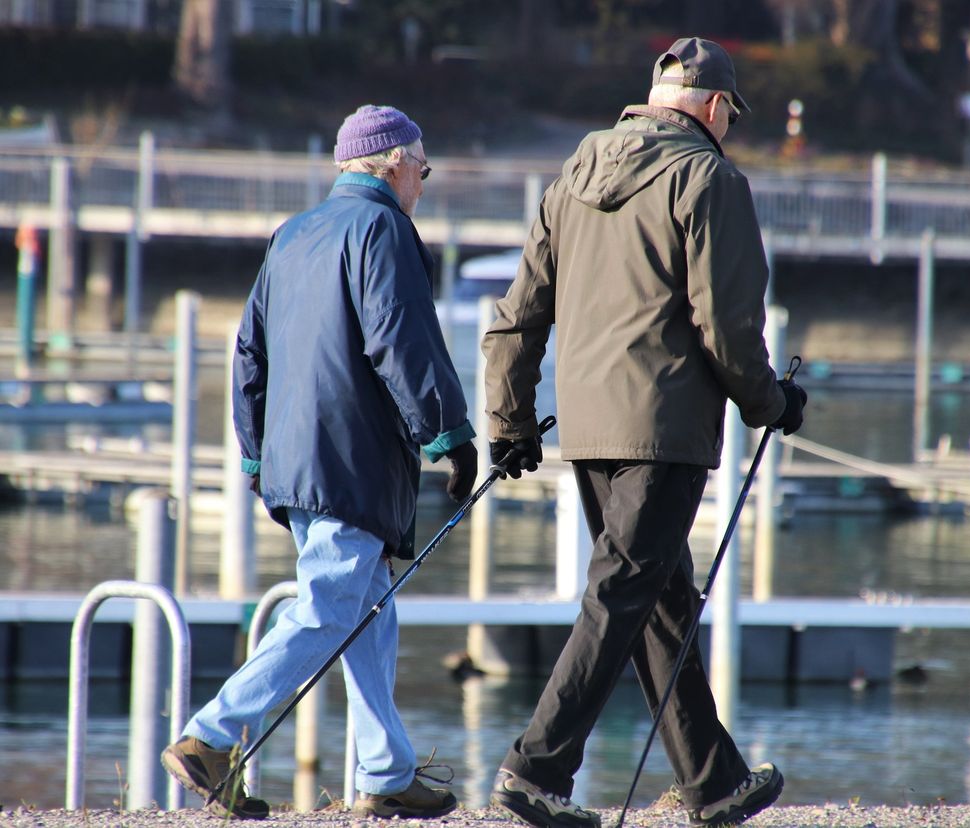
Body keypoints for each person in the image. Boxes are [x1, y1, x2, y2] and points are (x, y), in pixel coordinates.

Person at [482, 38, 807, 828]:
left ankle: (712, 780)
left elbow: (517, 315)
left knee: (659, 601)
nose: (729, 124)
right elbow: (728, 327)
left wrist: (509, 421)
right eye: (730, 111)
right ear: (713, 106)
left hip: (591, 429)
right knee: (623, 594)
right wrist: (772, 404)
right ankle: (536, 770)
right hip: (662, 428)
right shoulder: (711, 179)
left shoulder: (574, 172)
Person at [161, 104, 477, 820]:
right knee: (330, 606)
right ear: (394, 163)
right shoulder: (382, 227)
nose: (423, 183)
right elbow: (401, 337)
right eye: (422, 169)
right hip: (352, 457)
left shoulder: (293, 233)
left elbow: (250, 351)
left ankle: (385, 772)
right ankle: (211, 735)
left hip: (295, 461)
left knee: (368, 611)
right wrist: (449, 434)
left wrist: (253, 451)